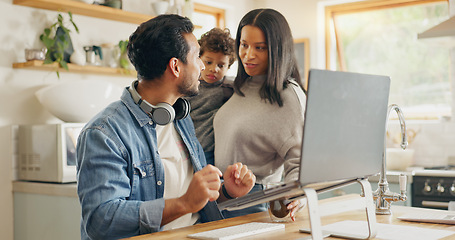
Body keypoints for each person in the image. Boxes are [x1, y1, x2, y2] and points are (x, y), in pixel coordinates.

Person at [76, 14, 256, 240]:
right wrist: (183, 204)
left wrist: (226, 191)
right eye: (196, 56)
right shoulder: (105, 133)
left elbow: (193, 198)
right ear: (175, 67)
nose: (202, 65)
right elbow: (101, 221)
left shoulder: (180, 117)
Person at [213, 8, 306, 220]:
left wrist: (298, 197)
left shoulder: (288, 95)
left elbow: (300, 163)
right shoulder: (239, 87)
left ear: (277, 50)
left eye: (260, 48)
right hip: (219, 201)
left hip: (253, 206)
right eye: (244, 45)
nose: (248, 55)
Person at [186, 27, 236, 166]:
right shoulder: (188, 87)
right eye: (208, 62)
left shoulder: (230, 87)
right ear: (199, 59)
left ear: (229, 66)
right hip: (188, 149)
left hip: (213, 154)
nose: (214, 69)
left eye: (221, 65)